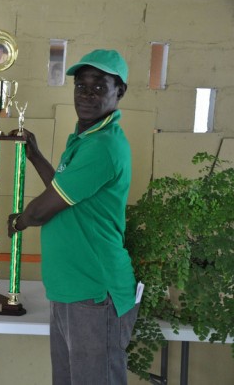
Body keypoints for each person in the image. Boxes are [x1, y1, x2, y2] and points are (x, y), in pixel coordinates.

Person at [7, 49, 138, 385]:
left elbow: (44, 208)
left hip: (95, 291)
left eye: (99, 87)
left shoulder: (103, 146)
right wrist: (36, 156)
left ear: (119, 91)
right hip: (71, 289)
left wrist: (20, 221)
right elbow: (66, 194)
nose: (88, 95)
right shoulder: (85, 139)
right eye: (81, 86)